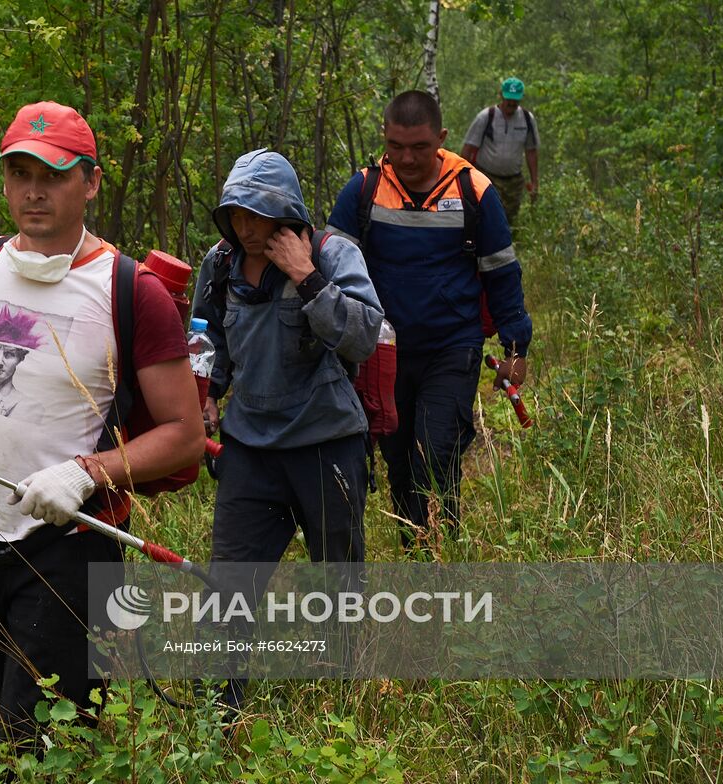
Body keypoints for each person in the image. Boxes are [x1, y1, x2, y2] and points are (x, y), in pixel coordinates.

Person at [0, 101, 204, 756]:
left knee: (46, 746)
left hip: (79, 547)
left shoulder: (132, 293)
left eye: (52, 175)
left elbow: (184, 436)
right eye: (19, 173)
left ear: (92, 181)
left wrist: (85, 474)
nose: (33, 191)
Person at [191, 149, 383, 709]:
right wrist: (205, 401)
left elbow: (365, 336)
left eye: (260, 214)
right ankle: (215, 715)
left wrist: (306, 276)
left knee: (339, 575)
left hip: (327, 443)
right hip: (249, 446)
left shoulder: (331, 252)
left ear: (287, 211)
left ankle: (342, 699)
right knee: (229, 584)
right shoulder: (221, 263)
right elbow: (207, 344)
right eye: (237, 214)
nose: (248, 228)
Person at [325, 90, 532, 552]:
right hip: (382, 354)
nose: (406, 158)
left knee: (435, 456)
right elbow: (329, 266)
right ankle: (417, 551)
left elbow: (502, 272)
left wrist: (516, 349)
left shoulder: (473, 190)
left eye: (419, 147)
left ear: (440, 138)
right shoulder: (363, 190)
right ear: (385, 137)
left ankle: (439, 556)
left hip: (452, 348)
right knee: (397, 462)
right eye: (396, 146)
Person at [460, 77, 540, 222]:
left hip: (513, 182)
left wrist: (535, 181)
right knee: (484, 217)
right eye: (509, 98)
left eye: (515, 100)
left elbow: (531, 151)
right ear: (501, 95)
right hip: (486, 177)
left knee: (508, 220)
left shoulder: (527, 119)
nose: (511, 103)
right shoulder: (486, 117)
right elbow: (468, 147)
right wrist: (462, 178)